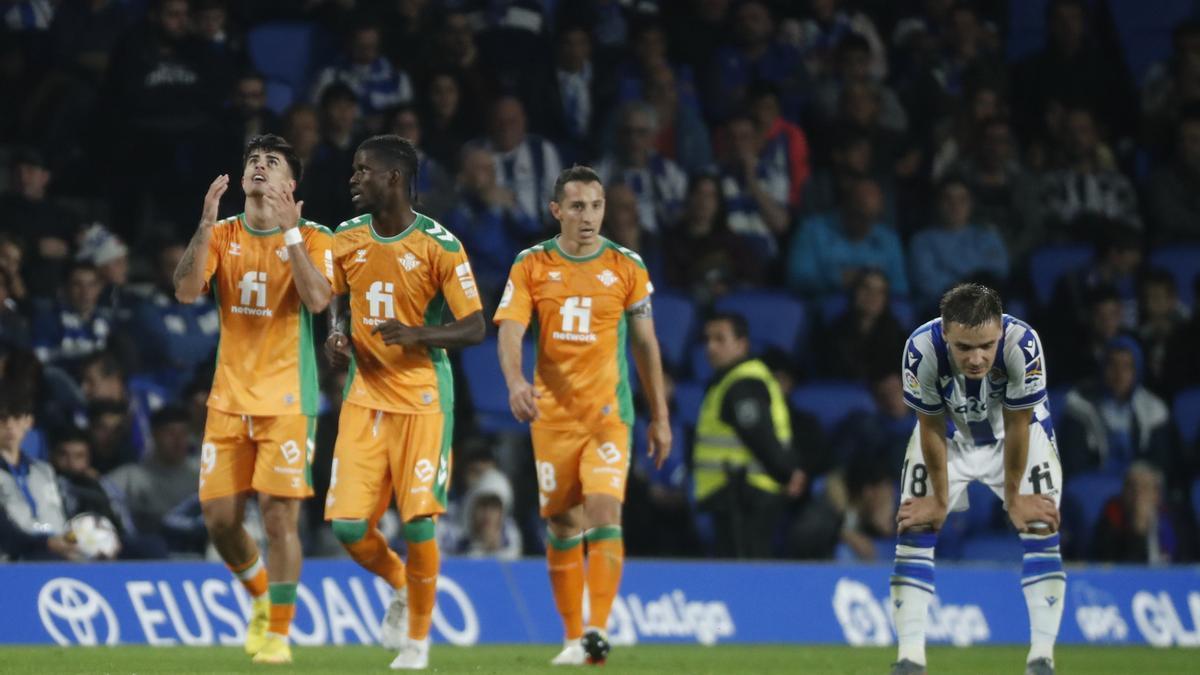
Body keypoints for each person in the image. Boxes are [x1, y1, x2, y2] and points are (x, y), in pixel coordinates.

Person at [494, 165, 671, 666]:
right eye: (576, 206)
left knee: (604, 508)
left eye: (595, 206)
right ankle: (575, 638)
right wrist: (515, 382)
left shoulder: (627, 266)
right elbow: (509, 331)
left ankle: (597, 627)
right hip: (552, 418)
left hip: (608, 416)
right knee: (563, 524)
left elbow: (645, 343)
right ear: (556, 211)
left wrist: (660, 416)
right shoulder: (530, 264)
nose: (587, 216)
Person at [324, 134, 485, 670]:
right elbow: (334, 297)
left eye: (362, 170)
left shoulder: (440, 245)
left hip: (422, 402)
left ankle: (417, 640)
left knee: (418, 522)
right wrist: (336, 333)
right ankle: (400, 583)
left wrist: (418, 334)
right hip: (364, 398)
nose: (353, 179)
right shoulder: (345, 237)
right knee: (348, 527)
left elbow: (474, 326)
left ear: (392, 178)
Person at [172, 134, 333, 664]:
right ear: (243, 179)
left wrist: (291, 237)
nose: (259, 167)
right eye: (253, 161)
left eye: (272, 163)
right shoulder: (220, 234)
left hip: (287, 400)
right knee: (218, 520)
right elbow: (186, 290)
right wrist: (203, 221)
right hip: (229, 400)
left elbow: (317, 300)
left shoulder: (313, 236)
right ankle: (261, 595)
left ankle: (279, 634)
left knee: (278, 520)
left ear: (290, 184)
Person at [890, 284, 1063, 675]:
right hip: (949, 437)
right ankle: (910, 659)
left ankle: (1041, 659)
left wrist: (1015, 496)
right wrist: (937, 498)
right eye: (964, 347)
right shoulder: (921, 349)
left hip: (1017, 437)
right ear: (946, 333)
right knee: (915, 525)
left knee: (1040, 524)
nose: (976, 357)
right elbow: (929, 426)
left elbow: (1020, 423)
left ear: (1000, 330)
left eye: (985, 345)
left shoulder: (1024, 343)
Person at [692, 312, 805, 559]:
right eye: (708, 339)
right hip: (736, 496)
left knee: (746, 571)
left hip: (745, 496)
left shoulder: (742, 383)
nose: (710, 347)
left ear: (742, 344)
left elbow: (759, 435)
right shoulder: (729, 380)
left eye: (720, 339)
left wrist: (787, 471)